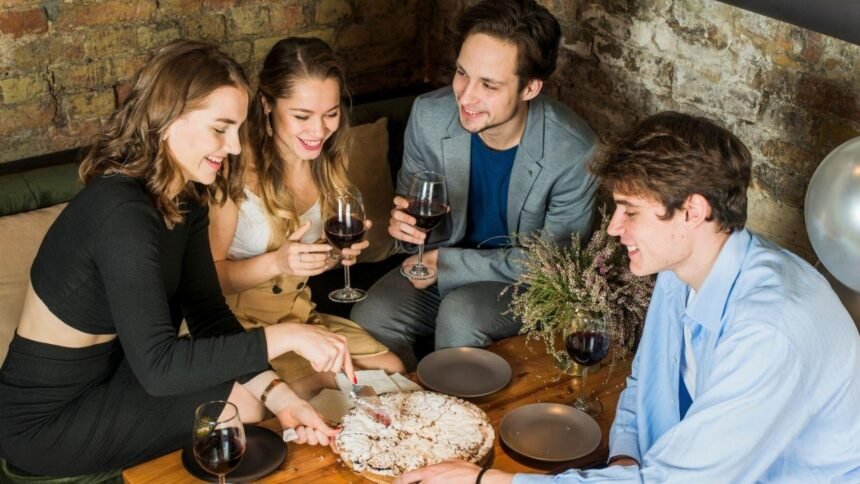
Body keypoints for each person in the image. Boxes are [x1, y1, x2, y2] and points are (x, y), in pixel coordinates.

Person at [394, 112, 860, 483]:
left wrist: (484, 482)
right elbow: (643, 385)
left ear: (692, 211)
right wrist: (622, 459)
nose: (614, 229)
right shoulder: (685, 266)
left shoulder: (769, 331)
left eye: (630, 211)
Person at [0, 40, 348, 478]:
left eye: (239, 129)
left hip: (115, 378)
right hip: (47, 424)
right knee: (234, 412)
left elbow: (208, 315)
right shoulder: (120, 211)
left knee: (253, 401)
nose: (236, 147)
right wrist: (288, 336)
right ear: (166, 119)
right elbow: (160, 369)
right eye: (220, 128)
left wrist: (282, 395)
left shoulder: (184, 197)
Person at [350, 0, 598, 370]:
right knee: (371, 314)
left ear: (530, 88)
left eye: (489, 85)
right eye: (462, 73)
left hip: (524, 283)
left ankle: (459, 424)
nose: (465, 97)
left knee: (461, 314)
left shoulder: (575, 153)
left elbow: (552, 266)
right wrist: (405, 230)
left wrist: (451, 264)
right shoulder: (429, 116)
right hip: (439, 264)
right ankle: (404, 417)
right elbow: (415, 226)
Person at [208, 37, 405, 397]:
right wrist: (277, 261)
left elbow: (308, 262)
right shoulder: (231, 167)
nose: (319, 132)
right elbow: (208, 282)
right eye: (302, 116)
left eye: (331, 114)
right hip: (237, 326)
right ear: (267, 104)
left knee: (394, 372)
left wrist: (335, 255)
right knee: (320, 391)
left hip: (298, 314)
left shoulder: (327, 161)